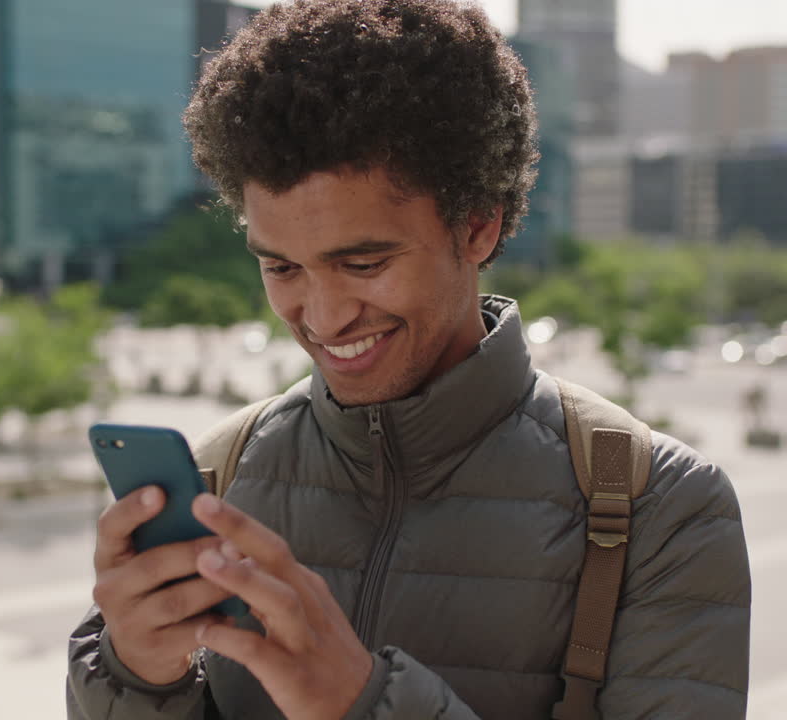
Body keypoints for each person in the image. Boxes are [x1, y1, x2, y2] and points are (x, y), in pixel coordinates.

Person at [67, 1, 750, 718]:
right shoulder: (217, 476)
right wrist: (137, 676)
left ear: (478, 224)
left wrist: (363, 704)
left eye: (362, 263)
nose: (323, 318)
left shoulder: (661, 508)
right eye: (282, 268)